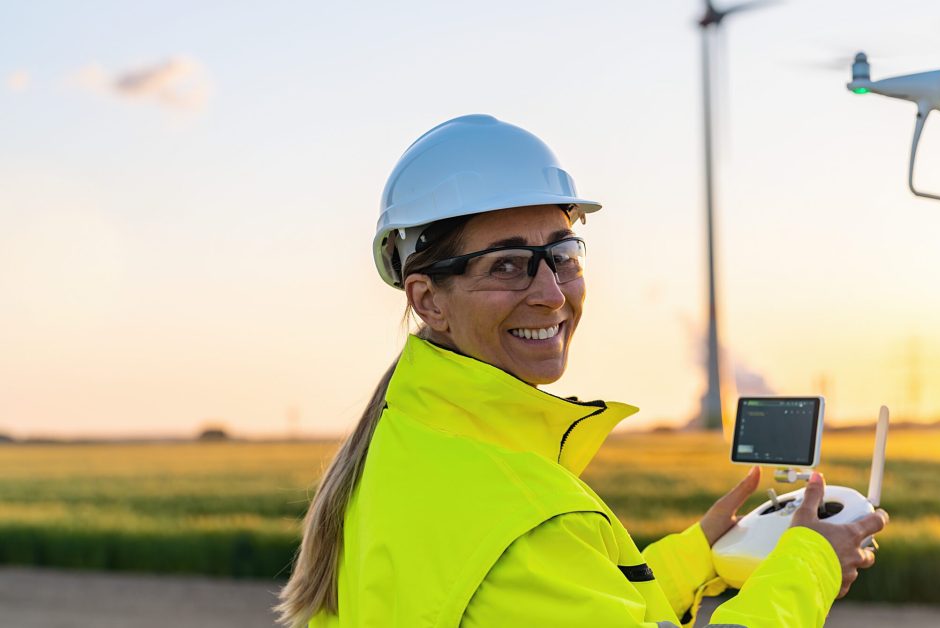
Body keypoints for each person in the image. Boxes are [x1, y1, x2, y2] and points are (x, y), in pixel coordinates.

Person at [274, 114, 887, 628]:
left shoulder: (406, 444)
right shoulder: (519, 518)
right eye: (508, 264)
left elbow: (575, 603)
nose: (552, 293)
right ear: (427, 299)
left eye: (562, 255)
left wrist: (698, 555)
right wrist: (808, 561)